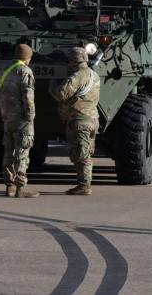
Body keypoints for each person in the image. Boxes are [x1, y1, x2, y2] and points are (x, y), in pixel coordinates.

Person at [48, 47, 100, 195]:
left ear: (73, 61)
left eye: (68, 60)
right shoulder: (94, 75)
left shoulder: (76, 77)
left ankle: (84, 186)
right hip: (92, 119)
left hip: (79, 120)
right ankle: (84, 184)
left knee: (80, 154)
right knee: (86, 152)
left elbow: (60, 94)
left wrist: (52, 83)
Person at [0, 44, 39, 198]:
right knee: (22, 152)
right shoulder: (25, 71)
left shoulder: (3, 70)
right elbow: (28, 98)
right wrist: (30, 116)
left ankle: (9, 186)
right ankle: (21, 187)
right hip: (21, 119)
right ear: (28, 57)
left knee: (8, 151)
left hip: (7, 118)